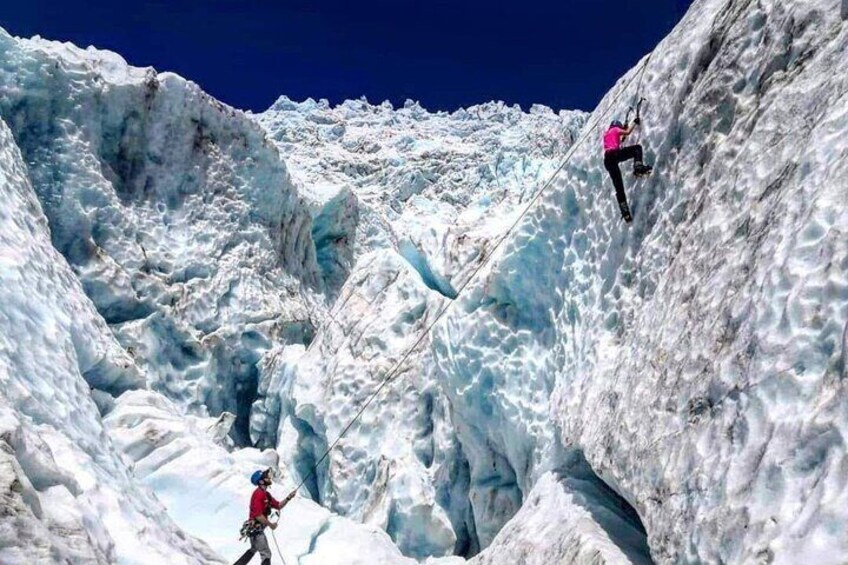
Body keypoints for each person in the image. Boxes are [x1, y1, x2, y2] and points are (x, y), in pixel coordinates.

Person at [234, 469, 296, 565]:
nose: (269, 477)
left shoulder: (266, 494)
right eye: (266, 477)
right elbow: (258, 516)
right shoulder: (258, 494)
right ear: (261, 481)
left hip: (255, 529)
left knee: (254, 549)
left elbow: (278, 505)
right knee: (266, 554)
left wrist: (289, 498)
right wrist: (271, 525)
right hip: (256, 530)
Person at [602, 118, 652, 222]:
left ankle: (625, 213)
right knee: (637, 148)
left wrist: (621, 134)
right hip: (615, 155)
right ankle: (638, 167)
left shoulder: (606, 134)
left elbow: (617, 141)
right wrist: (634, 122)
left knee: (619, 188)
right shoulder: (616, 130)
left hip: (607, 160)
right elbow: (628, 132)